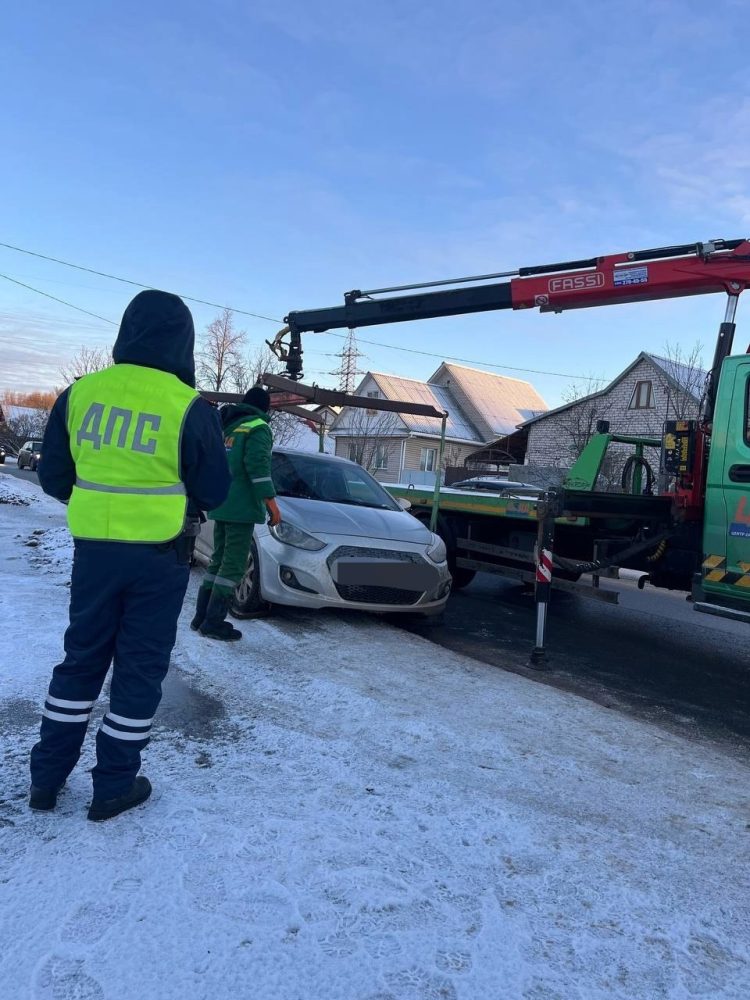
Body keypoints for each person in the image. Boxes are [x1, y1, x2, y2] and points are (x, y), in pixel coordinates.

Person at [29, 290, 230, 821]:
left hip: (93, 554)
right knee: (139, 670)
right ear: (184, 342)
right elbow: (213, 492)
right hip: (159, 560)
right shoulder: (190, 408)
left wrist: (99, 503)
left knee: (80, 660)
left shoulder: (81, 393)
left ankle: (46, 779)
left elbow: (52, 478)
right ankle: (113, 786)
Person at [191, 385, 281, 641]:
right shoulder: (258, 428)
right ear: (265, 407)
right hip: (242, 507)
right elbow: (258, 467)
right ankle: (213, 622)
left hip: (222, 502)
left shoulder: (228, 427)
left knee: (218, 558)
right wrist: (271, 504)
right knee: (234, 564)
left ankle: (201, 617)